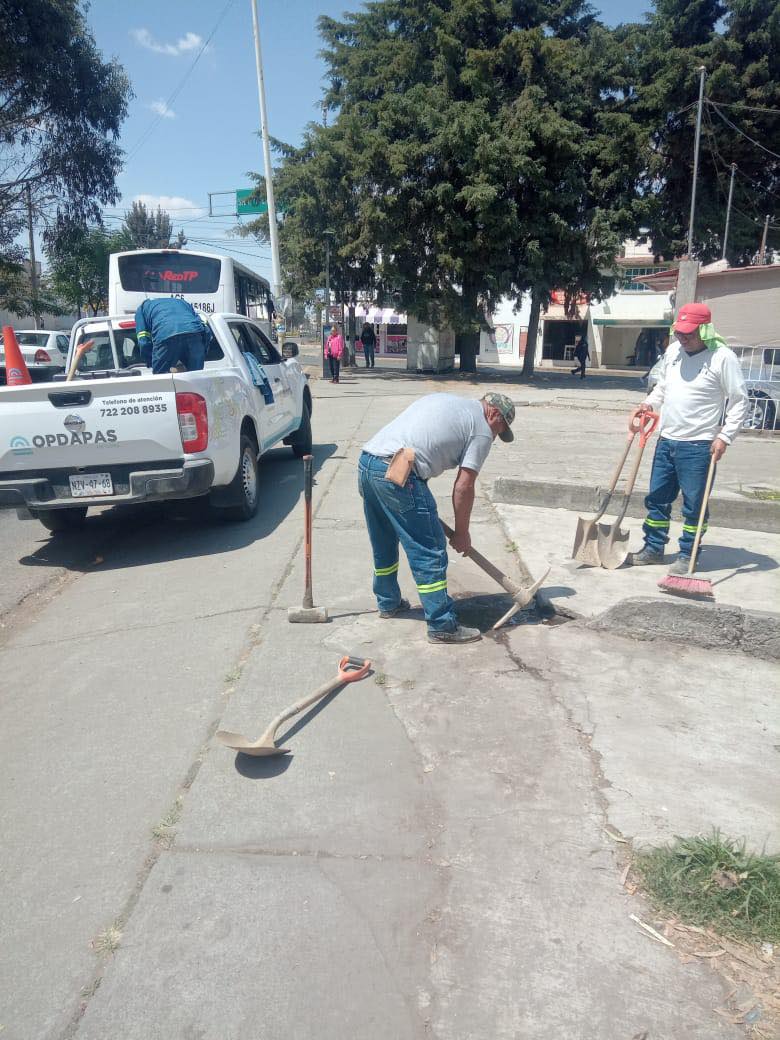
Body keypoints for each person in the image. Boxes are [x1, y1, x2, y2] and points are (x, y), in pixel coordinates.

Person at [358, 391, 516, 644]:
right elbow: (464, 486)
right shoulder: (482, 430)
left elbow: (424, 440)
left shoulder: (449, 401)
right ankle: (442, 624)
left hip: (369, 464)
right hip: (400, 474)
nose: (496, 436)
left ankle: (388, 603)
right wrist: (462, 532)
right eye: (500, 429)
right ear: (494, 413)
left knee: (384, 540)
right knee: (429, 550)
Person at [629, 303, 749, 574]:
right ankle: (653, 548)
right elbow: (663, 386)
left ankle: (688, 554)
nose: (683, 337)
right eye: (679, 332)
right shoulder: (673, 351)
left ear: (705, 330)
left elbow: (740, 401)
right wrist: (649, 404)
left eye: (689, 333)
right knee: (657, 499)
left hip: (699, 446)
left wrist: (725, 436)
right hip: (666, 440)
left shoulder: (722, 357)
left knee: (694, 505)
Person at [134, 298, 208, 375]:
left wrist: (152, 361)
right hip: (194, 335)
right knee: (196, 379)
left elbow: (143, 342)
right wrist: (202, 350)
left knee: (161, 380)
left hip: (166, 335)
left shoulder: (141, 310)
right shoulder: (183, 303)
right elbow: (206, 330)